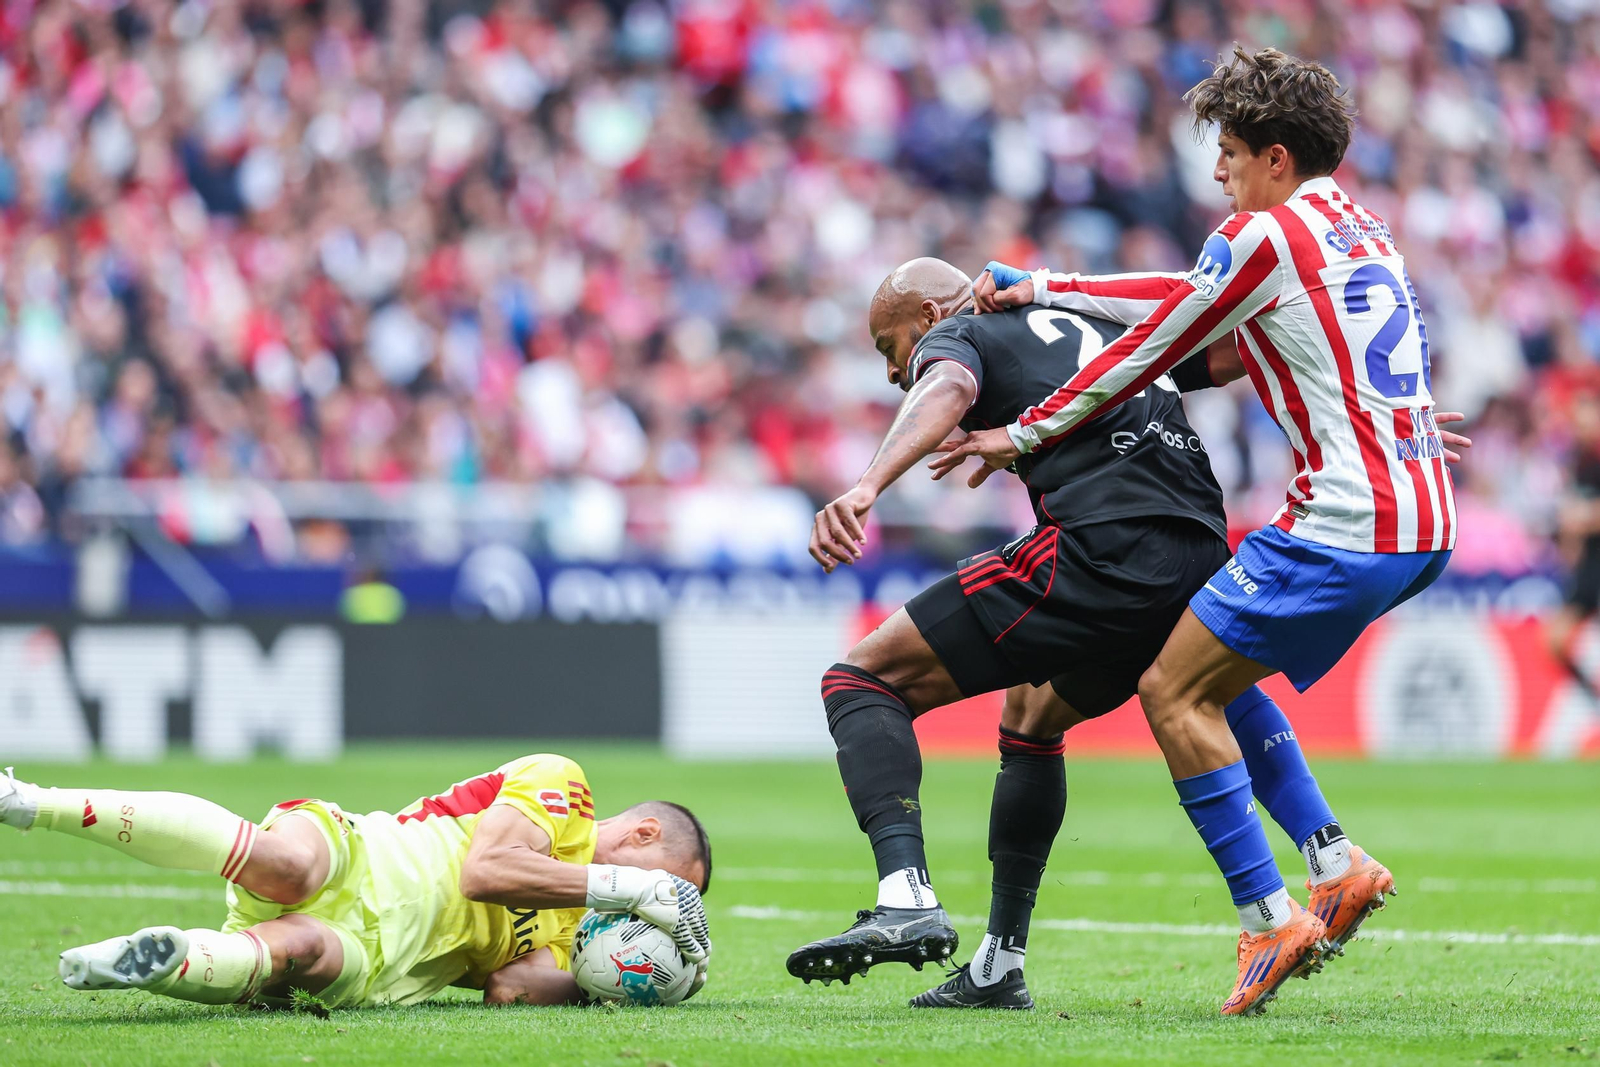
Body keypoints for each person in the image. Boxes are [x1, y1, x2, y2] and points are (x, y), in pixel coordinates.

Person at [793, 256, 1466, 1011]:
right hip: (1199, 546)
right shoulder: (1102, 320)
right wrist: (1378, 426)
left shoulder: (961, 334)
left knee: (861, 678)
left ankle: (904, 895)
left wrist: (866, 486)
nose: (895, 377)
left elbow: (946, 385)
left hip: (1102, 549)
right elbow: (1249, 350)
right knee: (1039, 711)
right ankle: (1002, 962)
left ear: (924, 316)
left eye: (891, 352)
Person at [931, 47, 1455, 1015]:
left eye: (1228, 151)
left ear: (1275, 157)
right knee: (1203, 658)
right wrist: (1048, 286)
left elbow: (1151, 348)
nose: (1216, 170)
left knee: (1170, 688)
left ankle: (1269, 916)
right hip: (1419, 518)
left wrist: (1024, 430)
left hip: (1343, 520)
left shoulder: (1259, 236)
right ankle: (1332, 860)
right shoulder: (1356, 227)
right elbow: (1191, 293)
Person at [0, 757, 712, 1009]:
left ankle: (154, 960)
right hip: (360, 850)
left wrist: (632, 976)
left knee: (301, 948)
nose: (647, 908)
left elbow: (511, 989)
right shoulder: (564, 786)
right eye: (667, 888)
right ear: (643, 835)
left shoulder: (571, 927)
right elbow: (484, 871)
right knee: (289, 866)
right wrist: (626, 886)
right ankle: (31, 801)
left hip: (379, 958)